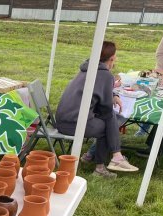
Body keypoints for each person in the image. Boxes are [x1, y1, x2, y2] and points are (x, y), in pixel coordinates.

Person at [56, 41, 138, 179]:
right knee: (109, 121)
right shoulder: (105, 75)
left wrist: (112, 95)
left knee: (109, 119)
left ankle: (111, 159)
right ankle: (108, 162)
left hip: (64, 120)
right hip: (74, 124)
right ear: (112, 58)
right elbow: (105, 109)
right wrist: (111, 100)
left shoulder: (87, 69)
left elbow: (93, 93)